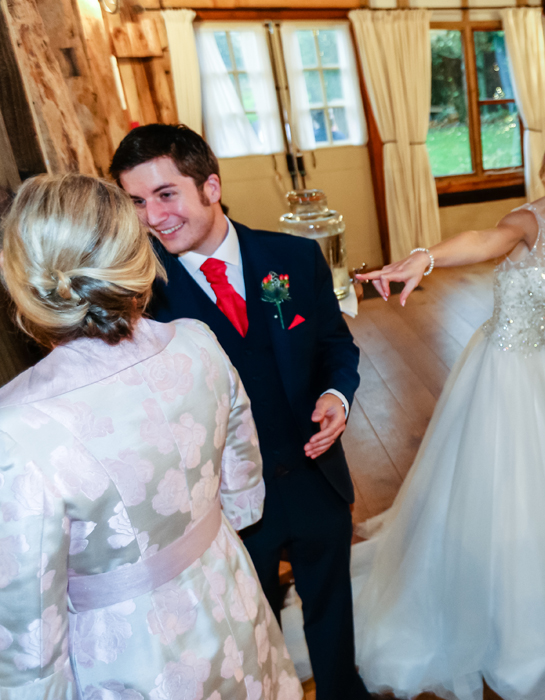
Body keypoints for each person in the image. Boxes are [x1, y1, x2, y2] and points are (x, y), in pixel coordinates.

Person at [352, 120, 545, 700]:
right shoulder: (526, 222)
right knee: (504, 484)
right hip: (504, 366)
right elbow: (484, 239)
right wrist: (426, 258)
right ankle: (502, 611)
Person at [0, 174, 301, 698]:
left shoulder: (18, 428)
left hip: (134, 655)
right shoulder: (197, 342)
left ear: (22, 278)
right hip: (231, 598)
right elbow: (245, 495)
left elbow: (28, 641)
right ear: (137, 257)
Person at [110, 124, 366, 700]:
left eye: (165, 194)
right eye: (136, 202)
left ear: (211, 186)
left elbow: (335, 346)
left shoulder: (293, 258)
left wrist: (337, 397)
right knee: (251, 625)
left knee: (331, 604)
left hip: (314, 478)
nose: (151, 217)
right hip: (222, 502)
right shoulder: (140, 294)